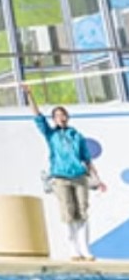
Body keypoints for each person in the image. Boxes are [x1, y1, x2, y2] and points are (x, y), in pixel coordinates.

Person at [23, 83, 107, 260]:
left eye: (63, 114)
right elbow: (37, 117)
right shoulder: (51, 134)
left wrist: (97, 179)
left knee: (82, 211)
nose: (61, 117)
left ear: (67, 117)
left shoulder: (77, 136)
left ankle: (85, 249)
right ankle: (73, 249)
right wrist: (30, 95)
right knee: (68, 212)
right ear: (54, 119)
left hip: (79, 177)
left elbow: (87, 159)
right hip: (61, 177)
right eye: (57, 115)